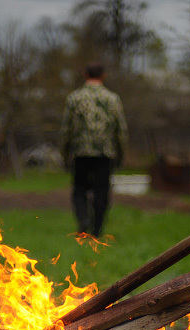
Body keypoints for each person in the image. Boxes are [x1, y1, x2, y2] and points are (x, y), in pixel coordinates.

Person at [60, 62, 128, 238]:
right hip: (104, 153)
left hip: (80, 152)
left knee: (79, 189)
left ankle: (83, 223)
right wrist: (120, 155)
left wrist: (65, 153)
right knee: (102, 191)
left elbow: (66, 129)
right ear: (103, 76)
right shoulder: (112, 98)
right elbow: (121, 130)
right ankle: (97, 230)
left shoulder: (74, 98)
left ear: (85, 74)